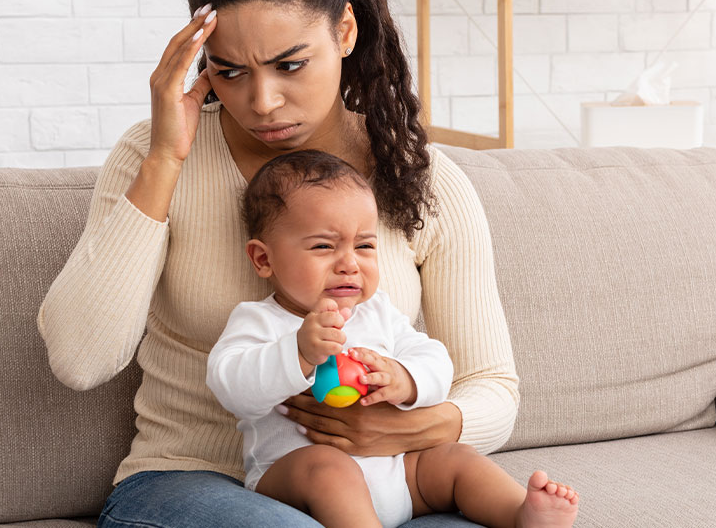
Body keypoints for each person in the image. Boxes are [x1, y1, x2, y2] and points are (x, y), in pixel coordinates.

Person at [37, 0, 520, 527]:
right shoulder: (157, 156)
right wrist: (164, 161)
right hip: (191, 485)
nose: (262, 101)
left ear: (344, 31)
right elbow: (80, 358)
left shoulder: (417, 176)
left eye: (290, 65)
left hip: (383, 486)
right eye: (229, 71)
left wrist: (406, 429)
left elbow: (492, 385)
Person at [207, 149, 580, 528]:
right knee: (328, 467)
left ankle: (521, 515)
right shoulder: (261, 321)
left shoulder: (378, 312)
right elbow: (230, 386)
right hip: (298, 484)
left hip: (400, 474)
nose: (349, 263)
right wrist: (297, 353)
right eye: (323, 246)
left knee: (455, 458)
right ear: (263, 260)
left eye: (364, 245)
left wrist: (404, 379)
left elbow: (435, 360)